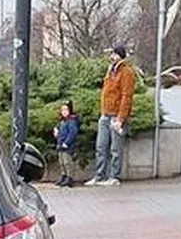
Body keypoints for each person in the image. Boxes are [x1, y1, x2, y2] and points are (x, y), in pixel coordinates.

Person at [93, 45, 138, 182]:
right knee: (101, 147)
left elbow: (126, 96)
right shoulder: (110, 71)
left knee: (115, 149)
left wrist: (121, 118)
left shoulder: (126, 72)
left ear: (120, 56)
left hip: (116, 116)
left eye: (114, 54)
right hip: (105, 114)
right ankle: (99, 176)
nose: (111, 57)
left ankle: (114, 176)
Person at [53, 97, 83, 186]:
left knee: (67, 162)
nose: (64, 112)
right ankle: (64, 175)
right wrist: (57, 133)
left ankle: (70, 177)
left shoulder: (71, 121)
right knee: (61, 162)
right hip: (60, 144)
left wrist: (67, 143)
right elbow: (59, 132)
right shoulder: (62, 121)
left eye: (66, 109)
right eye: (62, 110)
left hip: (67, 146)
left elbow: (72, 133)